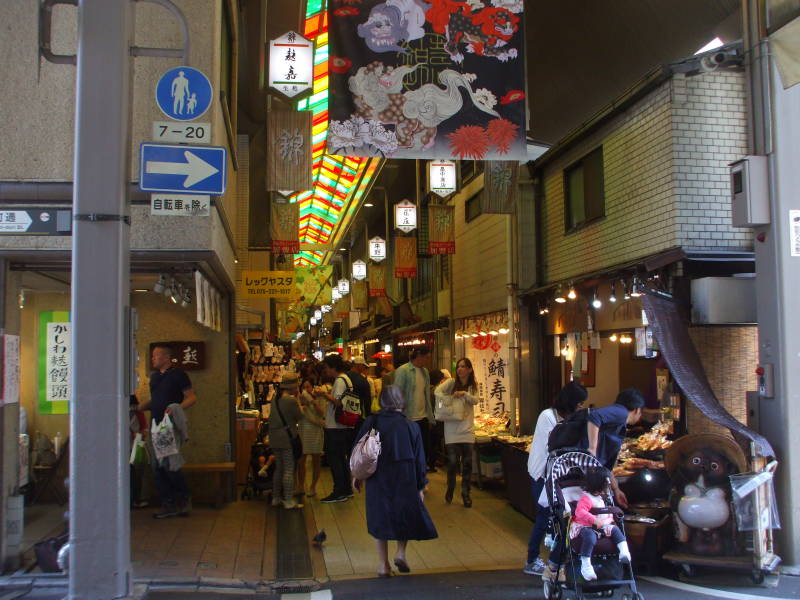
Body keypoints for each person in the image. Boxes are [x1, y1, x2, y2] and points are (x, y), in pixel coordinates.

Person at [352, 385, 438, 577]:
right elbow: (419, 458)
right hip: (405, 475)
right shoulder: (411, 426)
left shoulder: (372, 421)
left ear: (382, 402)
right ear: (402, 402)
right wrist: (421, 485)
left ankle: (383, 565)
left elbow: (360, 450)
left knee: (379, 517)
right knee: (403, 514)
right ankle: (400, 553)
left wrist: (357, 476)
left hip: (377, 475)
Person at [524, 381, 587, 575]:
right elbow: (552, 446)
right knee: (544, 517)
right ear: (570, 402)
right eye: (579, 403)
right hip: (541, 474)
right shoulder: (547, 416)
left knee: (560, 518)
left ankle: (556, 559)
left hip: (557, 475)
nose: (581, 407)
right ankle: (532, 560)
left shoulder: (567, 418)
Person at [137, 344, 197, 519]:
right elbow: (156, 400)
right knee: (158, 466)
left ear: (165, 357)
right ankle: (169, 502)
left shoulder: (178, 374)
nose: (153, 359)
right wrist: (141, 407)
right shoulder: (155, 378)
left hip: (169, 426)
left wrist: (176, 408)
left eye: (155, 356)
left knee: (169, 464)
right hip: (156, 425)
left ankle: (182, 499)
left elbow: (192, 397)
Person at [581, 388, 645, 508]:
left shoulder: (618, 422)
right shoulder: (622, 412)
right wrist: (592, 449)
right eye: (641, 412)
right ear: (637, 410)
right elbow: (595, 416)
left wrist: (616, 490)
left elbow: (606, 466)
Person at [570, 466, 630, 581]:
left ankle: (624, 551)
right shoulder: (586, 498)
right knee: (590, 537)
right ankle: (586, 563)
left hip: (602, 526)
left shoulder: (601, 497)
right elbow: (579, 512)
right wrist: (593, 519)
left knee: (616, 530)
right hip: (586, 526)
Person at [434, 360, 478, 507]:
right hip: (451, 429)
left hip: (467, 430)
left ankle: (466, 493)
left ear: (470, 370)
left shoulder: (472, 386)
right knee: (452, 463)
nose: (460, 369)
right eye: (458, 367)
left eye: (463, 367)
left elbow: (476, 401)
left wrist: (464, 393)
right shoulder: (451, 382)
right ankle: (451, 487)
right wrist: (450, 397)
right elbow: (437, 392)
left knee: (467, 464)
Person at [320, 354, 355, 503]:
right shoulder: (346, 379)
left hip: (335, 426)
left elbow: (339, 402)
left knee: (336, 460)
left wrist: (323, 395)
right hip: (342, 426)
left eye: (327, 368)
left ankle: (339, 491)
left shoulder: (340, 381)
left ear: (332, 367)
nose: (326, 371)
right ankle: (346, 490)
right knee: (341, 459)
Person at [393, 347, 434, 471]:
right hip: (408, 417)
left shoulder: (425, 372)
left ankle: (417, 478)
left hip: (423, 417)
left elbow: (426, 396)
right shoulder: (403, 370)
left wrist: (430, 417)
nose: (428, 360)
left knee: (422, 451)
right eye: (427, 357)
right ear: (419, 355)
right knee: (408, 451)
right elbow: (396, 394)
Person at [269, 372, 303, 509]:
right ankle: (288, 500)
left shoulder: (274, 398)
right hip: (286, 438)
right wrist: (299, 400)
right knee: (289, 468)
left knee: (279, 468)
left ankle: (276, 497)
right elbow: (299, 416)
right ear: (292, 387)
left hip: (274, 437)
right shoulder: (290, 400)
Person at [297, 378, 325, 498]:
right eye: (304, 387)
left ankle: (313, 486)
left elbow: (321, 413)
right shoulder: (299, 399)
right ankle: (300, 486)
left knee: (316, 458)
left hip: (316, 430)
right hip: (303, 429)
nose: (306, 389)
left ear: (313, 387)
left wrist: (313, 401)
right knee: (301, 458)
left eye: (308, 387)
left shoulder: (319, 398)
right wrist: (302, 404)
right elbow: (297, 414)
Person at [129, 395, 148, 509]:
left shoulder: (138, 414)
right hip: (134, 447)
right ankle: (135, 499)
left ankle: (133, 500)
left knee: (133, 475)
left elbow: (144, 429)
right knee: (135, 475)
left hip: (130, 448)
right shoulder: (139, 413)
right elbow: (144, 429)